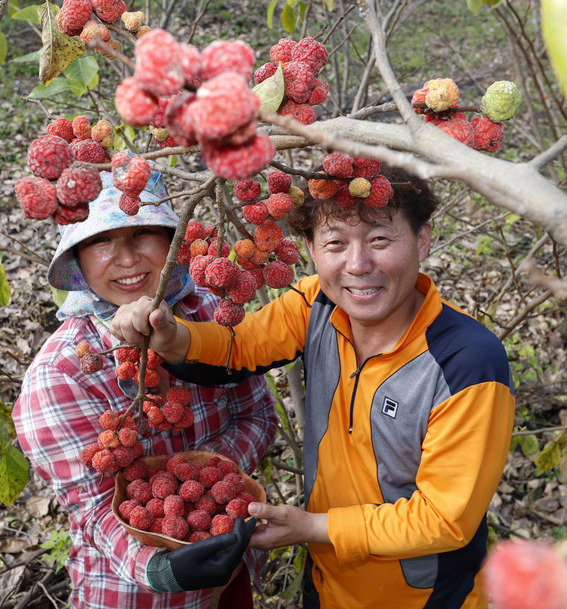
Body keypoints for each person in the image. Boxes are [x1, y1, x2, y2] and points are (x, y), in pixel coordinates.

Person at [110, 165, 516, 609]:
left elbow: (443, 520)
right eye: (335, 243)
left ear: (423, 240)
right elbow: (238, 347)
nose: (358, 265)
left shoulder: (468, 362)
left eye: (380, 239)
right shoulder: (315, 306)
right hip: (324, 584)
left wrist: (311, 528)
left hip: (424, 598)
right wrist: (171, 337)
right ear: (310, 249)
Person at [13, 169, 278, 609]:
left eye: (142, 233)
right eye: (101, 241)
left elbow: (259, 416)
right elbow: (96, 509)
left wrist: (204, 485)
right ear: (76, 255)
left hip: (229, 573)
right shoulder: (59, 376)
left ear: (171, 237)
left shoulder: (212, 314)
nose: (127, 257)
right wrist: (161, 568)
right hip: (129, 594)